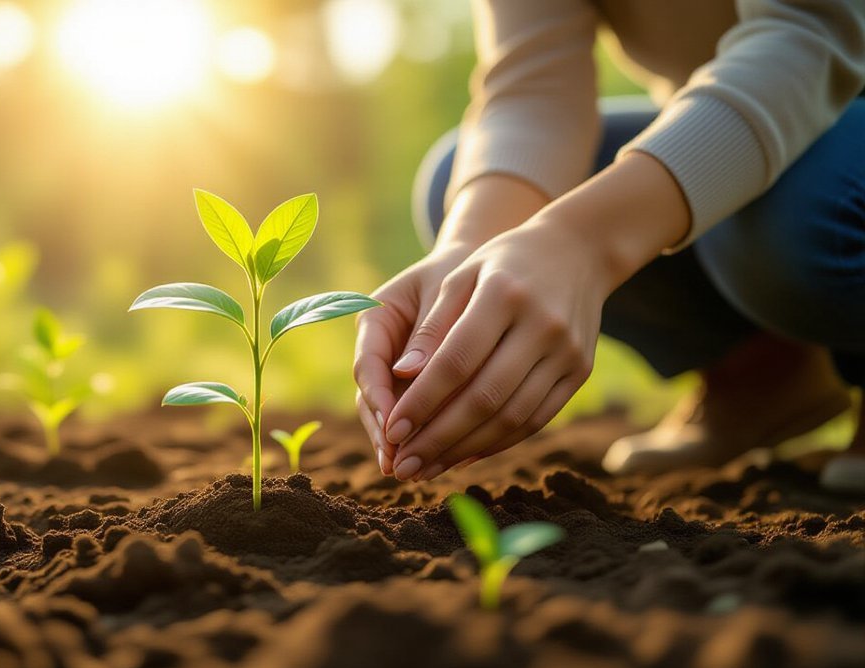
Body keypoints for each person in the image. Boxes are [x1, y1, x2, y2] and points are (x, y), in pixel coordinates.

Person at [354, 0, 865, 491]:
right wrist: (467, 245)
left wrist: (583, 243)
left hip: (831, 108)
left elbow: (810, 37)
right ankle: (769, 373)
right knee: (468, 194)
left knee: (812, 218)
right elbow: (536, 83)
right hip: (765, 119)